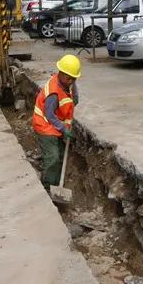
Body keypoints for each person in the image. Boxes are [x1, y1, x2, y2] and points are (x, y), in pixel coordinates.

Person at [32, 54, 81, 188]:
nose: (71, 80)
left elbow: (74, 101)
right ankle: (48, 185)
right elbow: (49, 115)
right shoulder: (53, 93)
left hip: (55, 125)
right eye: (68, 77)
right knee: (53, 157)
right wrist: (64, 129)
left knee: (58, 154)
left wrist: (73, 84)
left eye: (74, 78)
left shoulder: (67, 84)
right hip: (44, 125)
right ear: (60, 73)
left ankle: (55, 178)